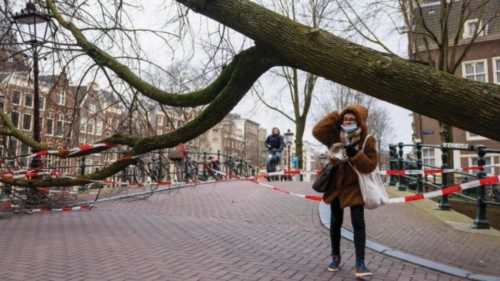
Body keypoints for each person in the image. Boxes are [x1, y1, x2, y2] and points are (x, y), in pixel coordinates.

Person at [312, 104, 378, 277]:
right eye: (345, 118)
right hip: (336, 185)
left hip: (355, 186)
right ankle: (335, 257)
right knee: (335, 222)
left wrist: (355, 153)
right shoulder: (335, 136)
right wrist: (335, 115)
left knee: (358, 223)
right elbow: (317, 131)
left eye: (352, 119)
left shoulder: (367, 139)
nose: (348, 121)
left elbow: (370, 165)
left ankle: (360, 264)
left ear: (360, 121)